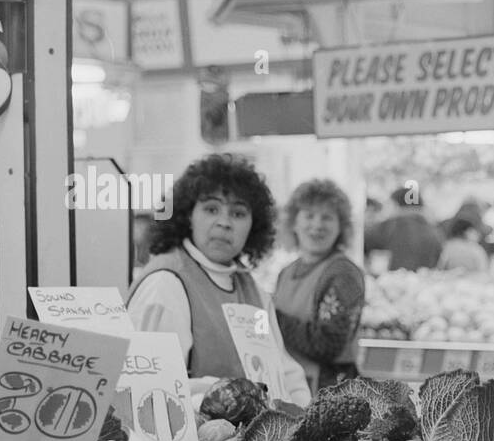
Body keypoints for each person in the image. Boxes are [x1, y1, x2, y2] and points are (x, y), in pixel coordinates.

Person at [127, 153, 310, 406]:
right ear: (187, 215)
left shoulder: (253, 291)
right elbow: (148, 390)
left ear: (253, 225)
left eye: (238, 213)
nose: (224, 223)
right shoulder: (165, 284)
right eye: (211, 209)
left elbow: (279, 368)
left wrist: (303, 412)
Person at [273, 179, 366, 395]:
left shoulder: (343, 274)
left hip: (328, 395)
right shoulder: (286, 272)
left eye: (327, 217)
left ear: (341, 227)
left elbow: (327, 344)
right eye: (309, 215)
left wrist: (271, 317)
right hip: (290, 388)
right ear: (294, 222)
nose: (317, 225)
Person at [362, 186, 443, 271]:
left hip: (394, 280)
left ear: (395, 205)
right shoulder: (434, 230)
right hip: (426, 281)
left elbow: (363, 242)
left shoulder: (390, 225)